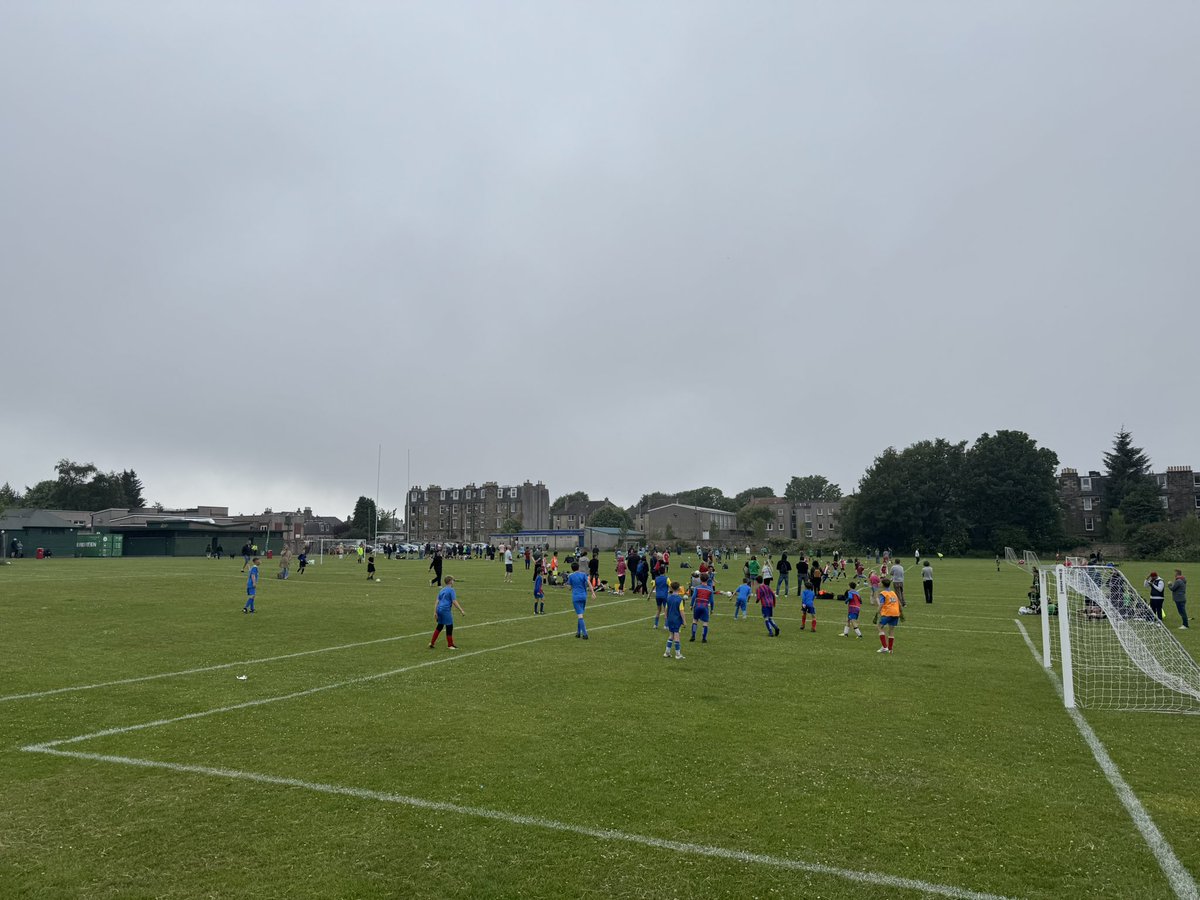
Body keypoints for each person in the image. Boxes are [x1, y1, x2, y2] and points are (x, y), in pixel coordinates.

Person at [430, 576, 464, 649]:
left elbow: (437, 601)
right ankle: (450, 645)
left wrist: (435, 612)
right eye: (453, 580)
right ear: (450, 581)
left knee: (440, 626)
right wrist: (461, 610)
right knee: (449, 626)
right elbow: (454, 601)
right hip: (445, 610)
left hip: (439, 609)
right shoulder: (451, 590)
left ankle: (432, 643)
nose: (453, 581)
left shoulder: (442, 590)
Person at [566, 561, 595, 639]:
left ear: (572, 569)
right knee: (580, 614)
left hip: (576, 597)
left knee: (580, 616)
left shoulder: (571, 576)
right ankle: (578, 633)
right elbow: (589, 583)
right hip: (583, 596)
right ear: (578, 567)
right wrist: (593, 593)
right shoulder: (583, 574)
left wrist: (569, 586)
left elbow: (569, 587)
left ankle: (585, 634)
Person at [876, 577, 903, 653]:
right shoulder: (893, 593)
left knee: (879, 626)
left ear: (883, 585)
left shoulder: (883, 593)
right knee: (891, 630)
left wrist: (877, 612)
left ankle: (884, 647)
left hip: (888, 612)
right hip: (895, 613)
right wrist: (901, 613)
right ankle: (890, 649)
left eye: (881, 583)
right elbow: (899, 603)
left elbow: (881, 604)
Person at [690, 573, 716, 643]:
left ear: (700, 579)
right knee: (705, 622)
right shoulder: (710, 589)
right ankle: (704, 638)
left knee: (695, 620)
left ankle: (693, 636)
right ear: (708, 579)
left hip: (697, 605)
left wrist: (691, 605)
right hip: (705, 606)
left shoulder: (697, 588)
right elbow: (712, 601)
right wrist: (712, 609)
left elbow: (693, 597)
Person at [663, 580, 686, 659]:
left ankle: (667, 652)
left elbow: (666, 609)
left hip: (670, 619)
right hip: (676, 620)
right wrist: (684, 621)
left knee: (671, 635)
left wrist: (666, 617)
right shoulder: (680, 599)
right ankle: (678, 654)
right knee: (676, 636)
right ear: (679, 588)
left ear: (671, 588)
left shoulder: (668, 598)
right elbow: (681, 611)